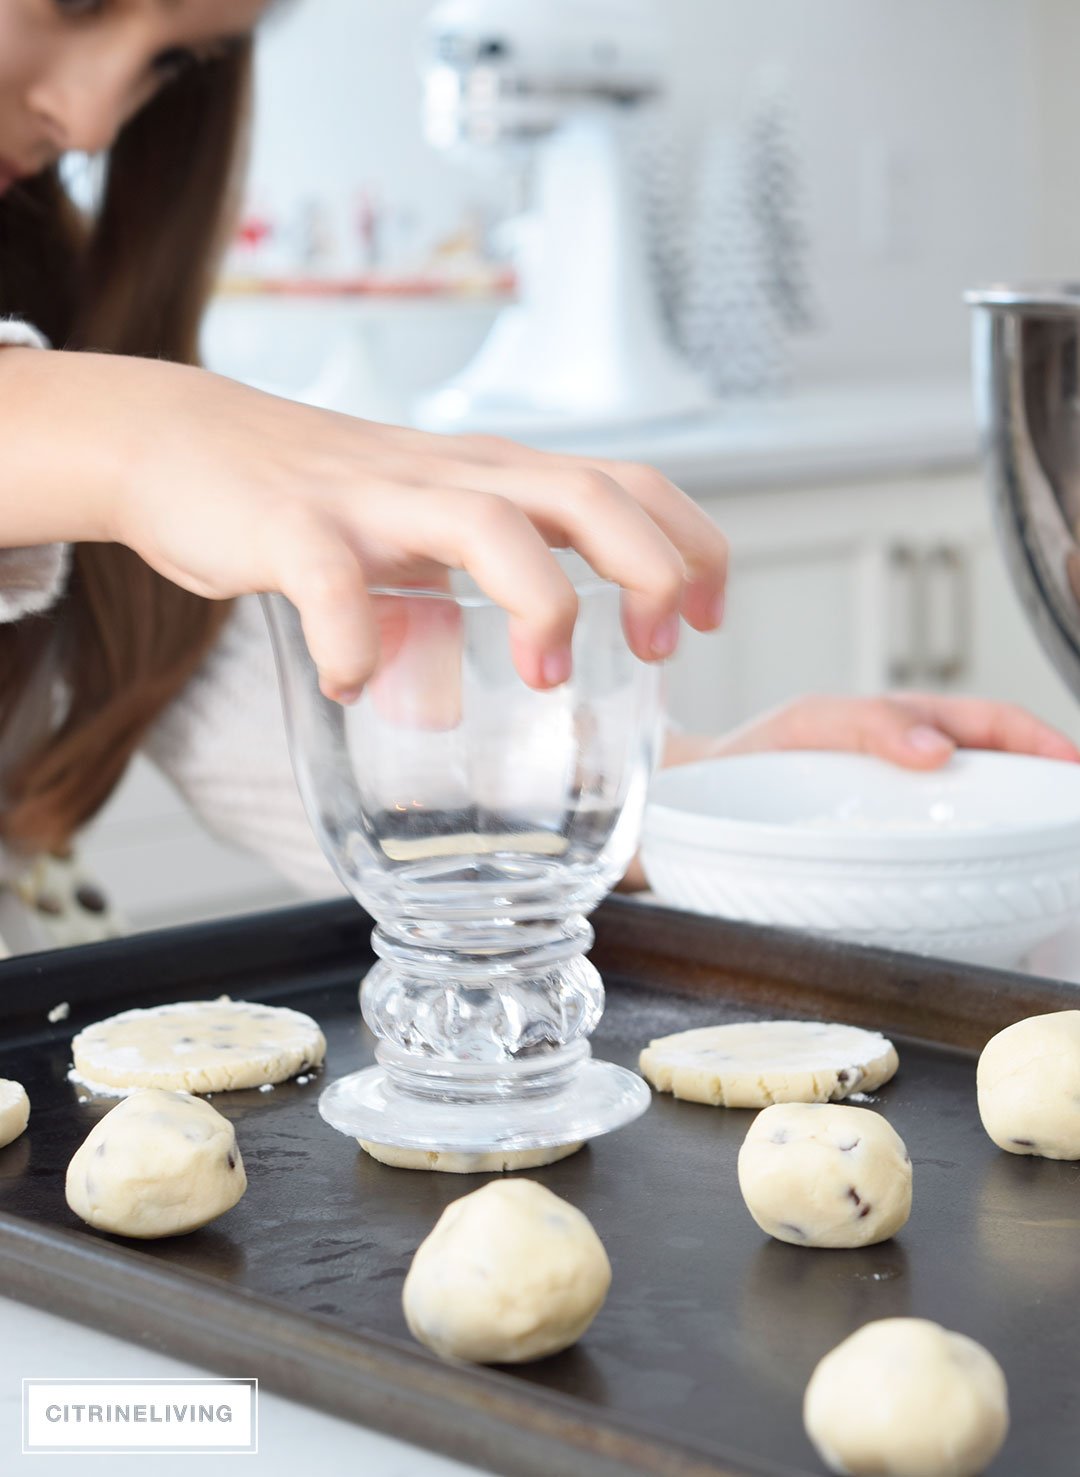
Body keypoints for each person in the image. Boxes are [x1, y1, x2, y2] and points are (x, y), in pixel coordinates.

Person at [0, 0, 1074, 952]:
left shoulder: (70, 289)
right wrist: (139, 430)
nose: (96, 119)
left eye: (175, 62)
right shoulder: (122, 405)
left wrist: (682, 797)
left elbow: (281, 719)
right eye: (76, 5)